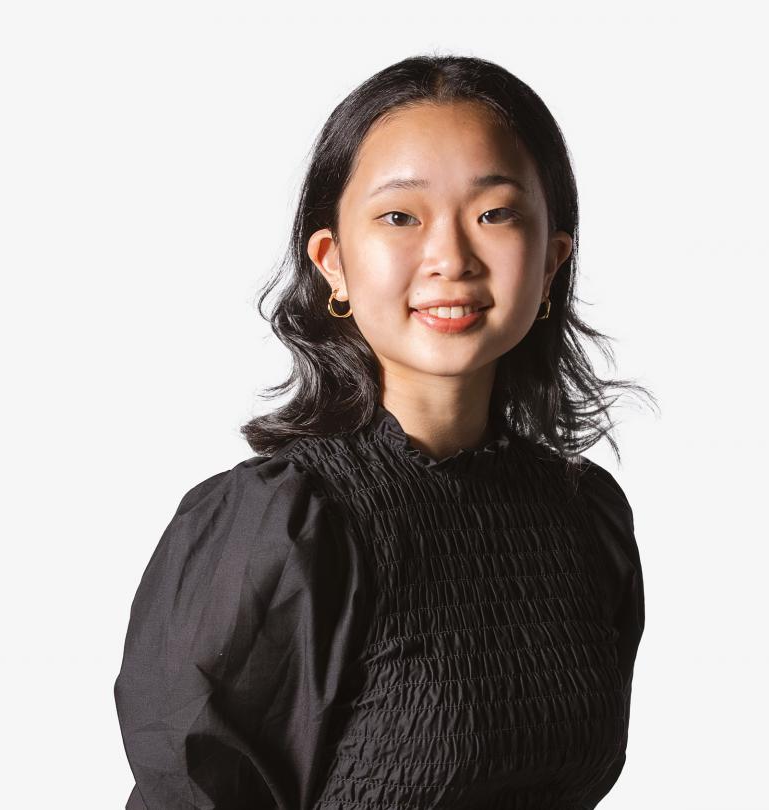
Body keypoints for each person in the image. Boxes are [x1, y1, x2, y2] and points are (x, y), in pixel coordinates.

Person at [114, 53, 654, 810]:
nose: (451, 259)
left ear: (551, 262)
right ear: (332, 262)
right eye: (401, 217)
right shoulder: (282, 527)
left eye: (494, 214)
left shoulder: (585, 516)